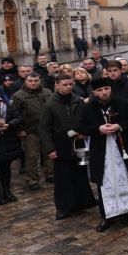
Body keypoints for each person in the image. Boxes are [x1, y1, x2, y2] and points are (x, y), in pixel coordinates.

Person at [77, 77, 128, 231]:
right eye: (100, 90)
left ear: (110, 88)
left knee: (126, 177)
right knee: (106, 181)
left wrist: (119, 125)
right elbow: (81, 127)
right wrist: (98, 129)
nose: (104, 92)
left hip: (123, 149)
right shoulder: (88, 107)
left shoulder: (122, 102)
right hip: (102, 150)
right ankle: (109, 215)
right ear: (94, 92)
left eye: (106, 89)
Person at [39, 72, 97, 220]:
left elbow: (86, 120)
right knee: (63, 178)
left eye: (70, 84)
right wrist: (50, 149)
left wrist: (85, 132)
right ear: (57, 85)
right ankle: (63, 207)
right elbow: (44, 129)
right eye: (65, 85)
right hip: (61, 144)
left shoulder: (78, 100)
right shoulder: (50, 104)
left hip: (79, 143)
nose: (68, 87)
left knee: (80, 174)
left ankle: (84, 201)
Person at [12, 72, 53, 190]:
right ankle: (33, 179)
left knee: (49, 153)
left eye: (36, 81)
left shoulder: (47, 92)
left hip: (47, 129)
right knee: (32, 156)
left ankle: (50, 174)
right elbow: (15, 114)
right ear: (26, 81)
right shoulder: (18, 96)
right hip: (30, 130)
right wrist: (19, 130)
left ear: (39, 80)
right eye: (30, 81)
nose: (33, 83)